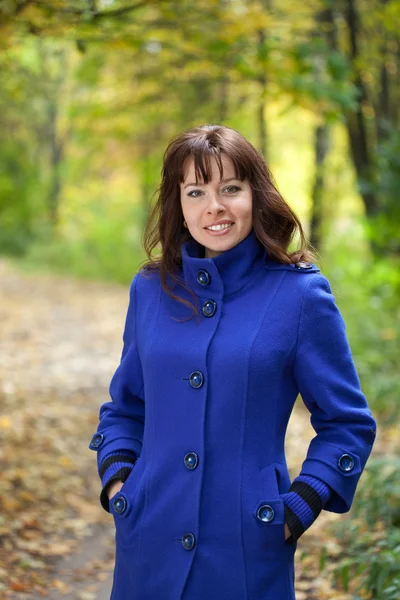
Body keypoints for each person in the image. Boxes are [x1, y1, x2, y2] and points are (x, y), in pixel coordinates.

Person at [88, 124, 377, 600]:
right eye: (196, 191)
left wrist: (297, 508)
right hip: (148, 539)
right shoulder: (150, 290)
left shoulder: (300, 295)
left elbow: (347, 424)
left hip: (247, 545)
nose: (213, 207)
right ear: (178, 203)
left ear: (256, 195)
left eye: (230, 189)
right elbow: (126, 406)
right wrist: (120, 483)